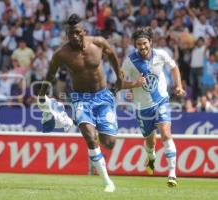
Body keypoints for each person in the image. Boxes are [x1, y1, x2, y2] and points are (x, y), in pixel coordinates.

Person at [38, 14, 123, 192]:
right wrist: (41, 95)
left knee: (109, 143)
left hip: (103, 97)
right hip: (80, 98)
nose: (74, 36)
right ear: (66, 34)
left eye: (77, 32)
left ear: (84, 31)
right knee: (90, 137)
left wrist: (120, 80)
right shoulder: (62, 54)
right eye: (70, 34)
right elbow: (50, 75)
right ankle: (108, 182)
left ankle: (98, 140)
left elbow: (113, 56)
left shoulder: (98, 43)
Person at [121, 27, 185, 187]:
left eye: (144, 43)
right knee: (150, 142)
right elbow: (119, 82)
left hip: (161, 101)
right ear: (135, 45)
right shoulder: (129, 61)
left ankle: (172, 174)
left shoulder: (161, 54)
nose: (142, 47)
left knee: (165, 132)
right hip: (143, 107)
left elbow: (174, 67)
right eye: (138, 45)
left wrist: (178, 85)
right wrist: (132, 85)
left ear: (150, 42)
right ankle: (151, 157)